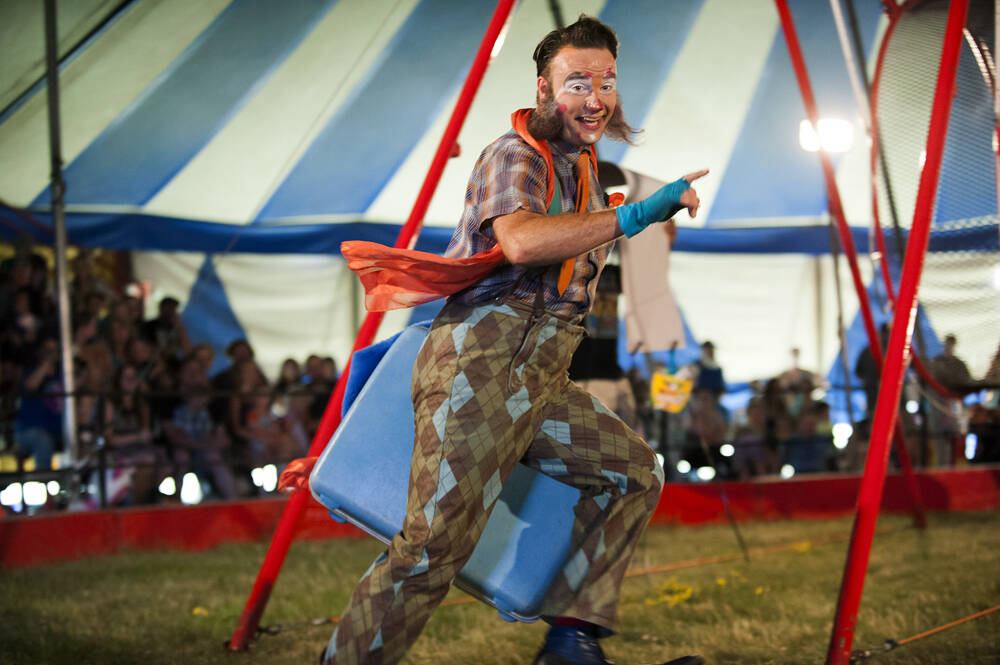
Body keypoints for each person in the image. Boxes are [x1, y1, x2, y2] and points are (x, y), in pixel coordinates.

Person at [322, 16, 705, 665]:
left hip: (536, 380)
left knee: (634, 472)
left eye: (607, 81)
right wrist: (635, 214)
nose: (596, 96)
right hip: (478, 366)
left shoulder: (581, 167)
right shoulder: (514, 153)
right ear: (543, 87)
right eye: (577, 81)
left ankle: (570, 644)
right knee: (432, 548)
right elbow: (521, 241)